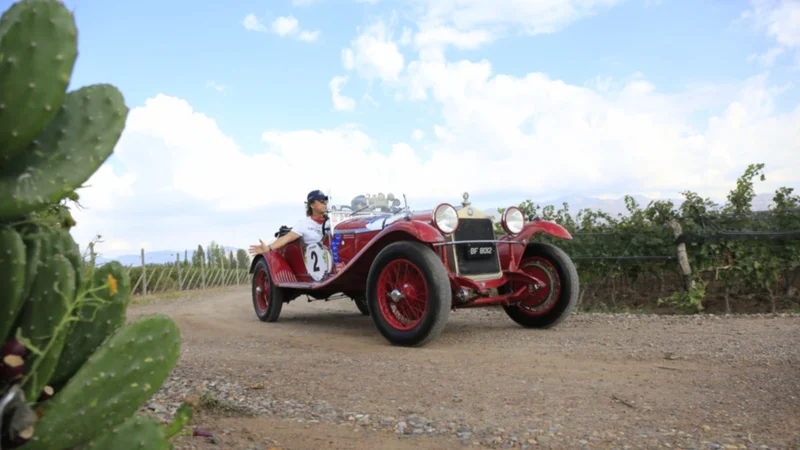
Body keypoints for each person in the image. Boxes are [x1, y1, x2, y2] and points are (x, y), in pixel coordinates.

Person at [248, 190, 330, 256]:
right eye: (321, 201)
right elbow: (286, 238)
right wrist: (268, 248)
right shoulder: (304, 224)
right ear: (312, 205)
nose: (325, 204)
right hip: (315, 262)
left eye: (326, 201)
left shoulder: (331, 222)